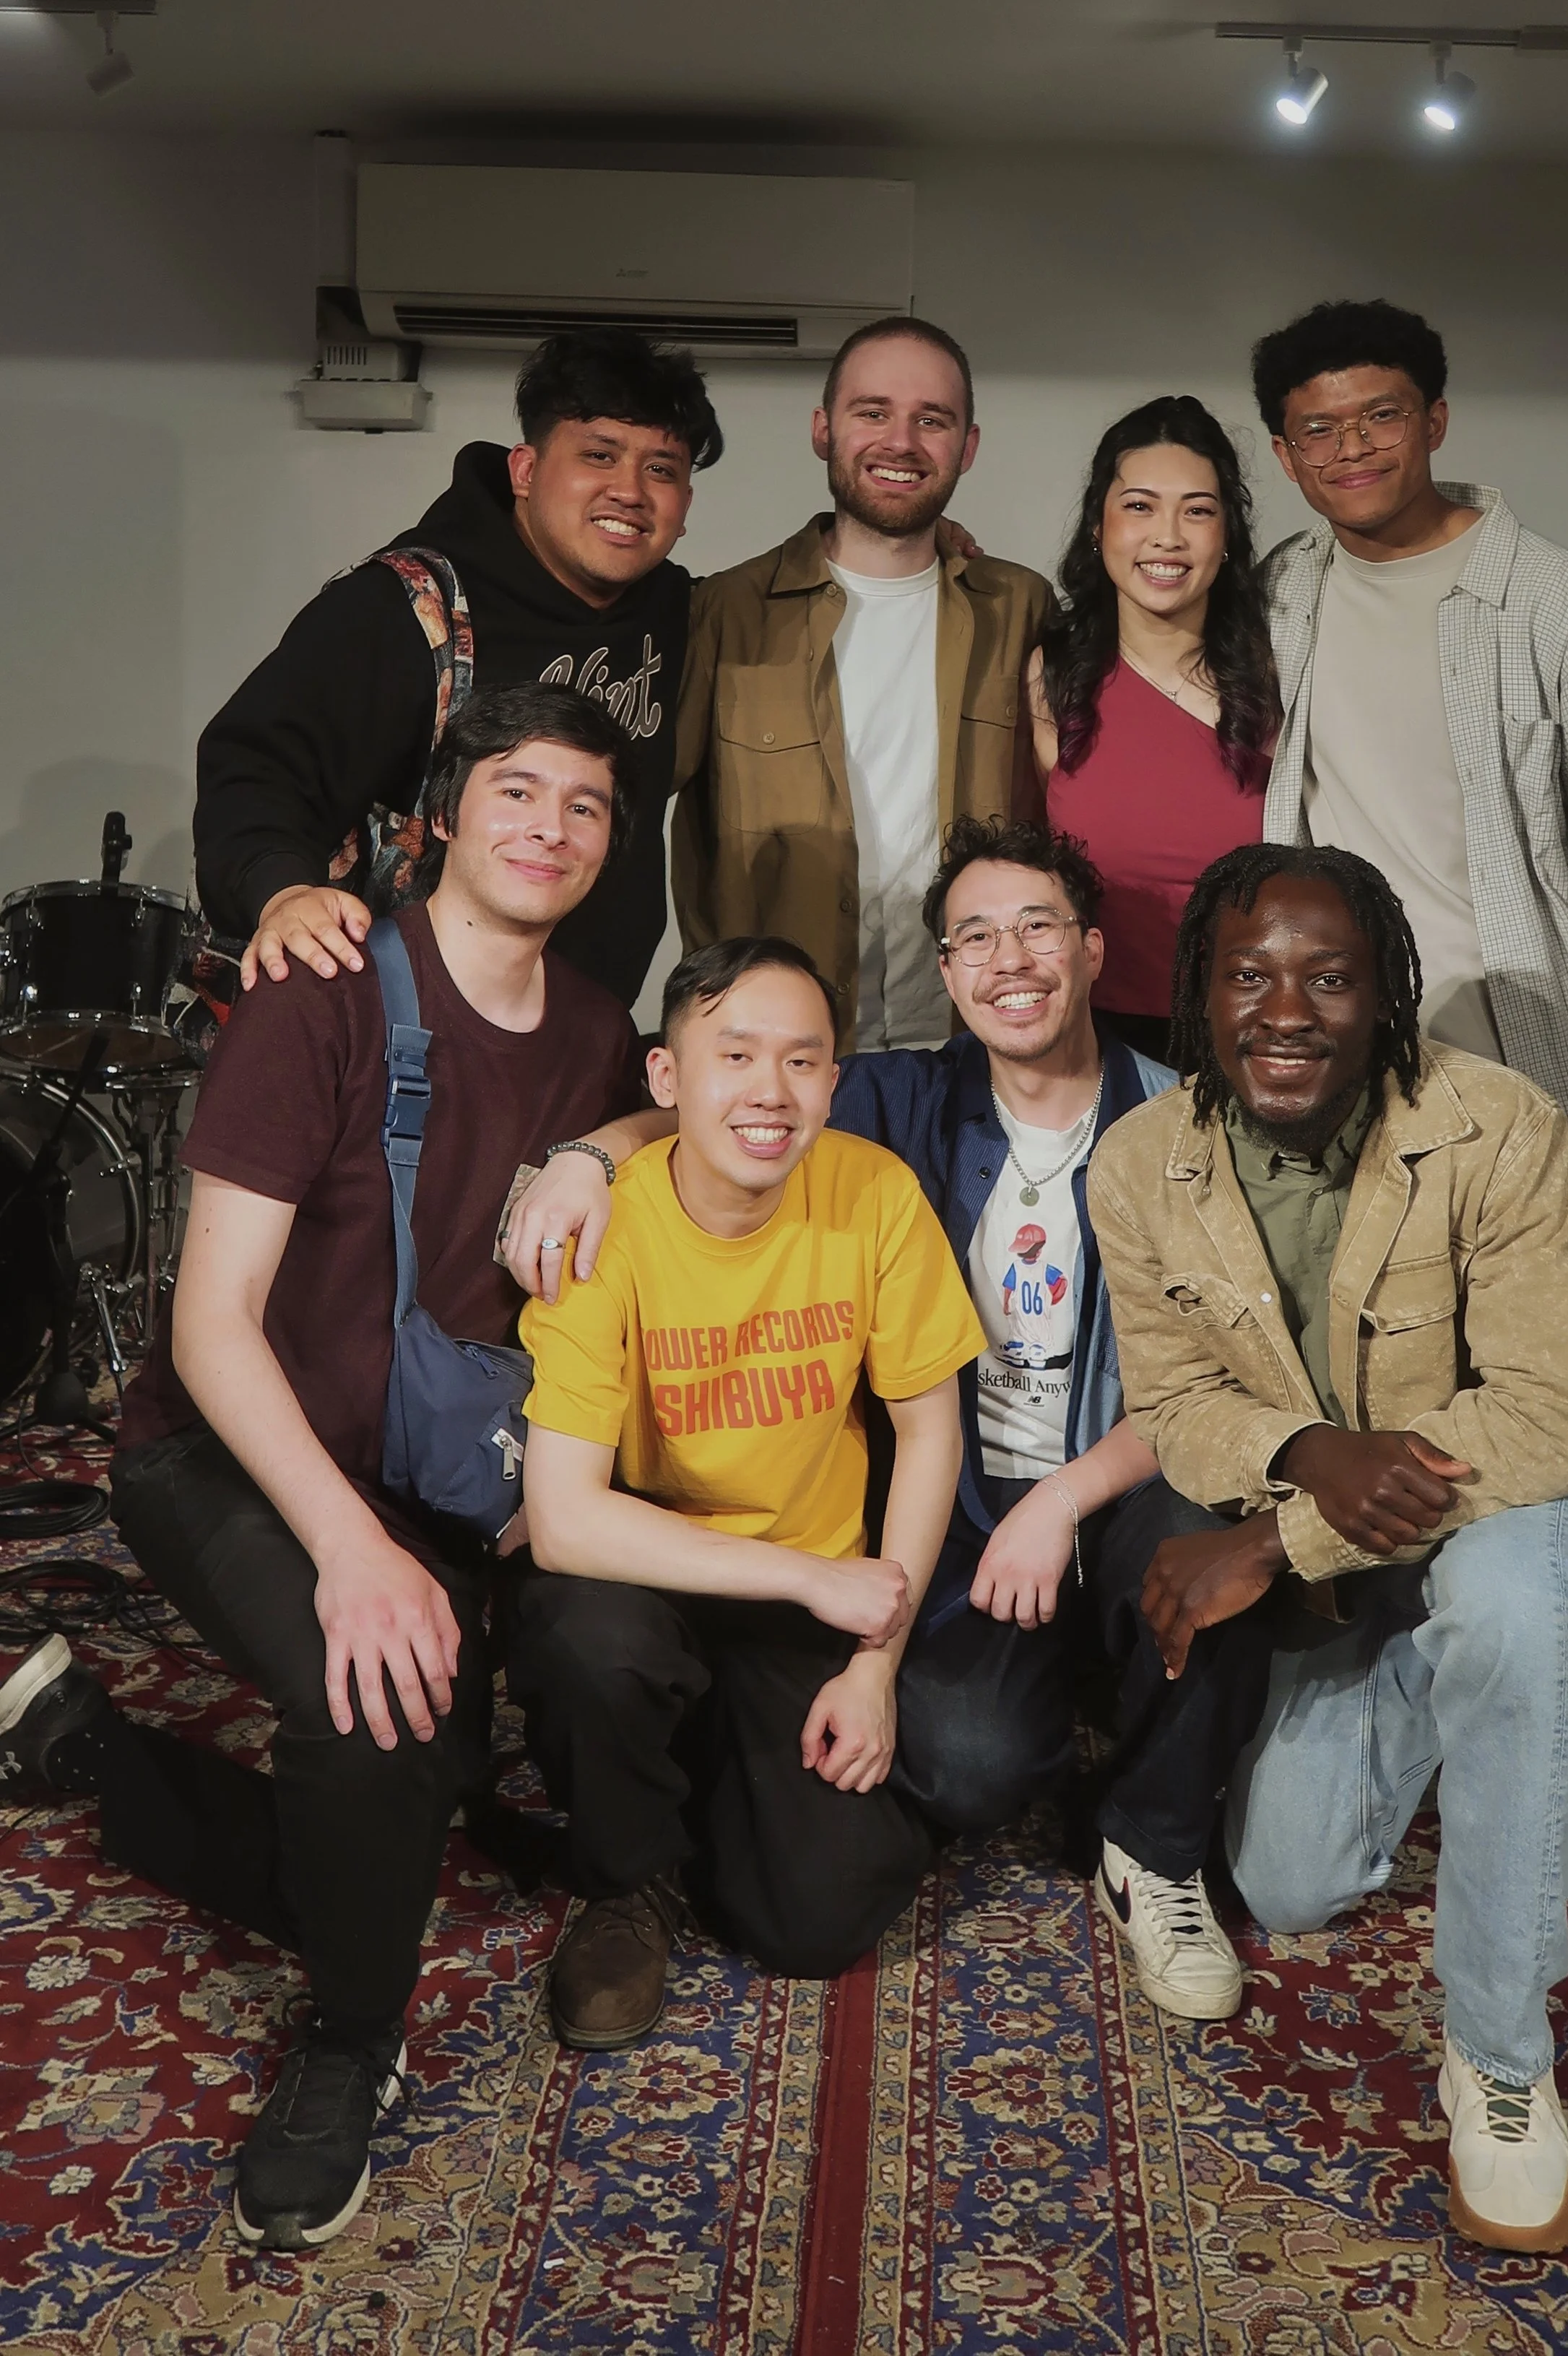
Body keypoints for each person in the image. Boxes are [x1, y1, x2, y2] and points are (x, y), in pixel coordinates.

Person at [0, 684, 654, 2251]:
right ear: (440, 813)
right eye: (515, 789)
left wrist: (602, 1148)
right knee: (384, 1716)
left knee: (409, 1779)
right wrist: (350, 1553)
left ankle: (105, 1755)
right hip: (227, 1453)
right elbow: (209, 1325)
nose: (547, 826)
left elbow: (664, 1109)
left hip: (430, 1473)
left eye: (584, 804)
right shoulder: (326, 984)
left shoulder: (593, 1029)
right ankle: (352, 2036)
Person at [1087, 841, 1568, 2256]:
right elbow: (1176, 1398)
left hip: (1501, 1493)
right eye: (1246, 974)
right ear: (1196, 992)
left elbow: (1543, 1412)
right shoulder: (1139, 1162)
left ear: (1383, 996)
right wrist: (1302, 1456)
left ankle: (1501, 2069)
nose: (1284, 1010)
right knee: (1288, 1879)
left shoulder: (1496, 1122)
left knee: (1508, 1608)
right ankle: (1502, 1707)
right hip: (1349, 1547)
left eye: (1328, 977)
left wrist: (1275, 1537)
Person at [822, 814, 1274, 2018]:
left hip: (1126, 1481)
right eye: (975, 937)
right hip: (962, 1504)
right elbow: (714, 1096)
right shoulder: (898, 1098)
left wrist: (1067, 1501)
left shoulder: (1187, 1120)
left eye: (1036, 928)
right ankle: (1074, 1684)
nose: (1007, 959)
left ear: (1089, 945)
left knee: (1218, 1527)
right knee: (966, 1770)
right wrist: (583, 1161)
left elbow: (1221, 1378)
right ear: (947, 970)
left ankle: (1153, 1843)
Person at [508, 937, 984, 2049]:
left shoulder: (874, 1192)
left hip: (805, 1604)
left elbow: (929, 1434)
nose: (771, 1091)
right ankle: (634, 1878)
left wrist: (877, 1668)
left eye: (804, 1062)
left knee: (818, 1921)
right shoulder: (606, 1222)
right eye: (736, 1056)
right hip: (647, 1573)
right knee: (586, 1642)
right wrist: (819, 1580)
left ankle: (712, 1773)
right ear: (667, 1079)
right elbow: (568, 1520)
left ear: (832, 1078)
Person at [1251, 298, 1568, 1173]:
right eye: (1319, 430)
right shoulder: (1282, 590)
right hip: (1325, 1042)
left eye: (1381, 417)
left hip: (1500, 1048)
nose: (1352, 451)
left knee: (1502, 1305)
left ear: (1434, 421)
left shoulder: (1556, 598)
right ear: (1285, 454)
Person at [197, 328, 722, 1006]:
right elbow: (258, 766)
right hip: (394, 1039)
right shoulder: (405, 607)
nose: (630, 490)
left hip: (577, 1042)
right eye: (599, 454)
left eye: (662, 469)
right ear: (526, 470)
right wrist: (283, 891)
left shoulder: (681, 614)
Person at [672, 316, 1053, 1053]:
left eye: (931, 420)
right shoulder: (722, 613)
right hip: (776, 1050)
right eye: (871, 412)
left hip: (969, 1043)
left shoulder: (1021, 610)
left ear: (967, 447)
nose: (900, 442)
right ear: (823, 430)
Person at [1027, 397, 1276, 1065]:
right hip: (1090, 1038)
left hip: (1255, 1032)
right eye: (1139, 506)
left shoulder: (1278, 676)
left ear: (1227, 536)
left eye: (1197, 510)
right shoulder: (1050, 674)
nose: (1167, 536)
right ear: (1097, 526)